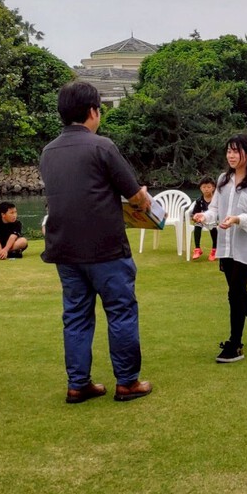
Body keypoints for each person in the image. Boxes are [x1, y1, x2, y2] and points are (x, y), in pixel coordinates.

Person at [40, 81, 153, 403]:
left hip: (64, 249)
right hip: (106, 249)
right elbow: (134, 195)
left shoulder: (48, 152)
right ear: (93, 111)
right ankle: (127, 382)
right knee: (120, 312)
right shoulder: (102, 146)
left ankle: (78, 383)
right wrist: (143, 198)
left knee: (76, 316)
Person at [193, 134, 247, 363]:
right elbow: (215, 209)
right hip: (225, 245)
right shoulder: (223, 179)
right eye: (229, 151)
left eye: (236, 151)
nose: (231, 155)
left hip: (246, 246)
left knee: (235, 293)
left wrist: (237, 219)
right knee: (239, 292)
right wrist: (204, 216)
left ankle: (235, 344)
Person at [190, 177, 218, 261]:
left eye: (209, 187)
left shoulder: (216, 200)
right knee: (197, 225)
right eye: (204, 187)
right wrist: (195, 218)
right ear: (200, 188)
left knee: (213, 227)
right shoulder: (199, 201)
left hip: (214, 220)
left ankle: (214, 250)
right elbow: (194, 213)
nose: (206, 189)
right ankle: (197, 249)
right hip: (202, 221)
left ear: (213, 188)